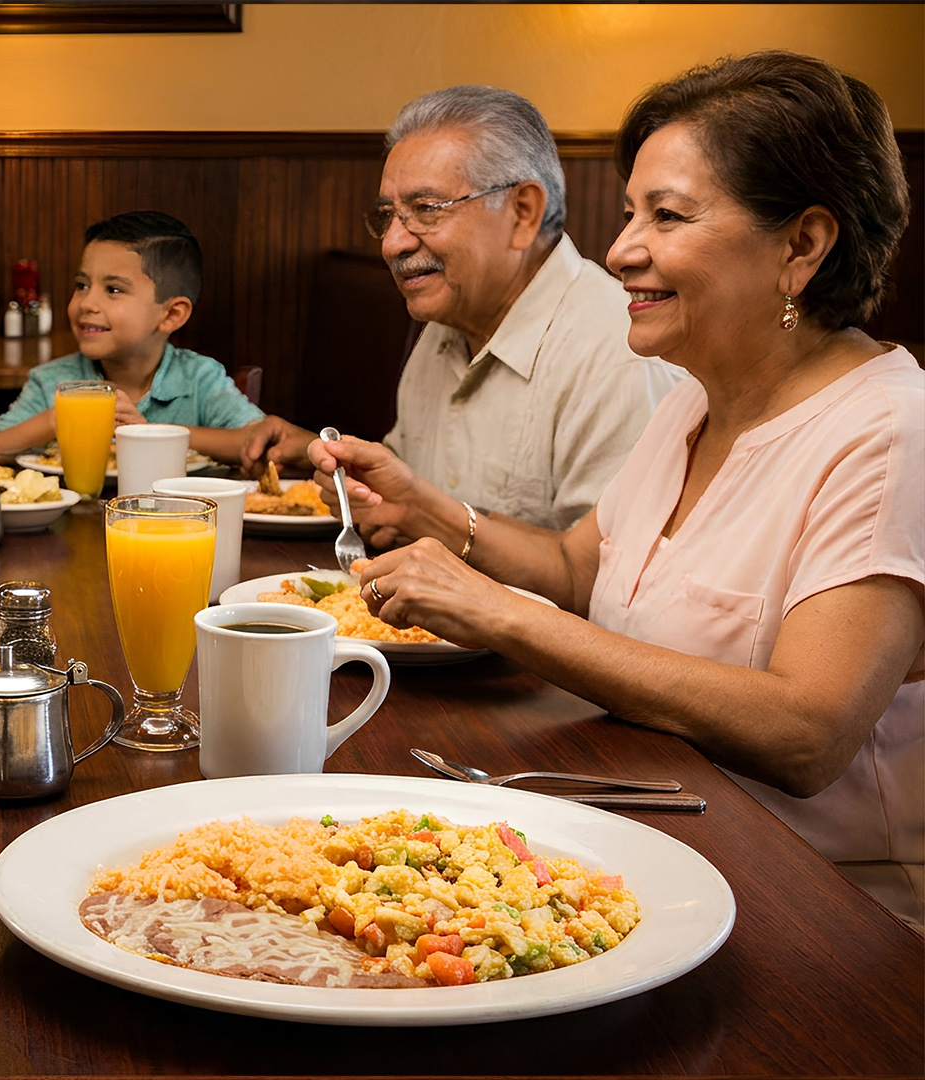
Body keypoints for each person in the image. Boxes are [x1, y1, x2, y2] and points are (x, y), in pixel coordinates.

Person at [319, 52, 922, 929]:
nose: (619, 248)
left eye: (666, 216)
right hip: (653, 857)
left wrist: (499, 613)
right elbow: (573, 566)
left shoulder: (889, 430)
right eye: (632, 212)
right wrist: (430, 510)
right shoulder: (692, 400)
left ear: (802, 245)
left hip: (818, 909)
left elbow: (807, 732)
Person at [251, 86, 683, 529]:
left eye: (426, 208)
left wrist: (426, 522)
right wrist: (351, 477)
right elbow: (409, 486)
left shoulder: (623, 357)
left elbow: (610, 578)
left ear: (523, 212)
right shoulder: (448, 317)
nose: (392, 243)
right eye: (388, 215)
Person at [0, 211, 297, 465]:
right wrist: (59, 420)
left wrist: (151, 434)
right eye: (82, 284)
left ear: (171, 315)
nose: (87, 303)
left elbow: (254, 440)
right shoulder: (54, 382)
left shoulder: (198, 379)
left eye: (113, 290)